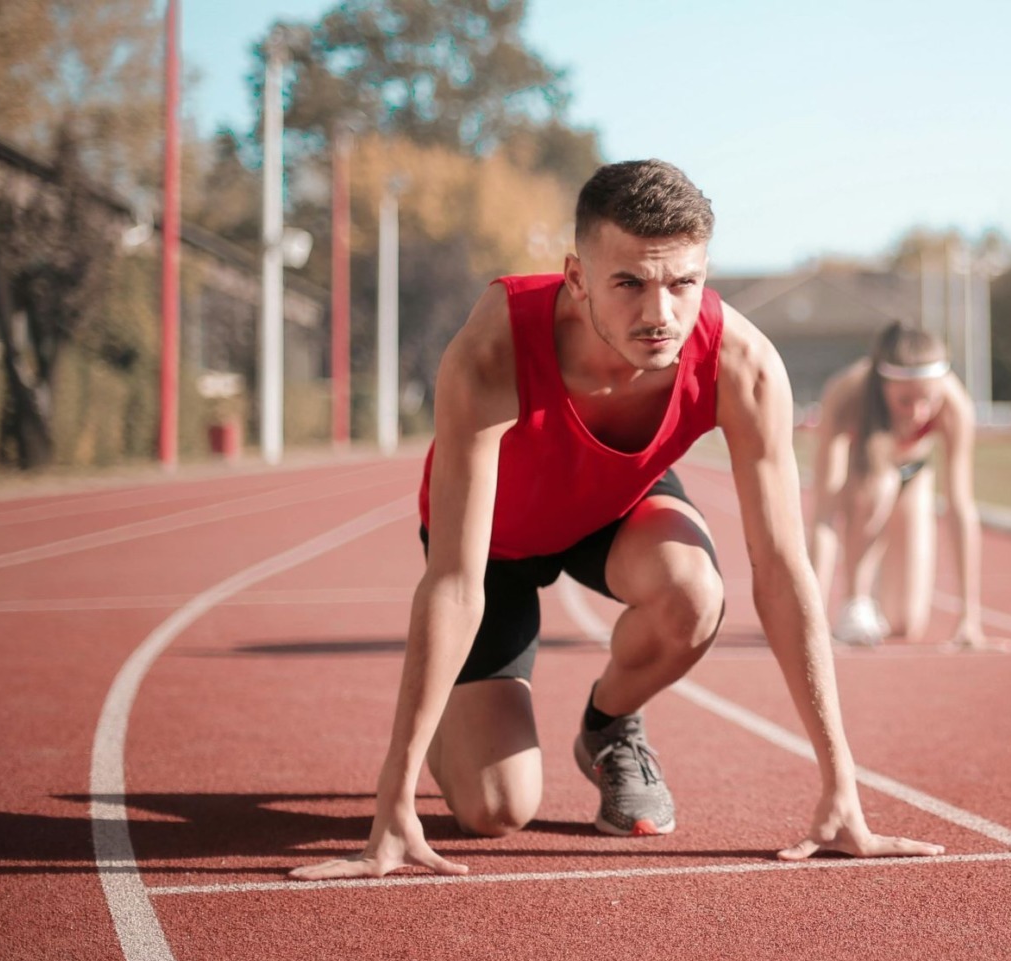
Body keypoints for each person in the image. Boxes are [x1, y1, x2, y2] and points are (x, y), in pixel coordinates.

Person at [292, 160, 942, 880]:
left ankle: (608, 727)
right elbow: (453, 580)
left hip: (614, 509)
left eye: (682, 283)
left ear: (704, 273)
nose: (659, 313)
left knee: (696, 594)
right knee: (496, 811)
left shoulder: (743, 365)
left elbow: (784, 572)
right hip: (496, 544)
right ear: (577, 277)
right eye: (628, 283)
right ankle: (452, 710)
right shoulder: (493, 349)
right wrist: (393, 801)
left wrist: (840, 788)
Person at [806, 323, 1003, 650]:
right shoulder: (846, 395)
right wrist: (810, 621)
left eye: (928, 399)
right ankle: (856, 601)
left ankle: (883, 588)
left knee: (905, 624)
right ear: (883, 387)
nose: (918, 412)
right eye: (905, 401)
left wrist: (969, 617)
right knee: (881, 484)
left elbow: (960, 508)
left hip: (914, 475)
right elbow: (823, 515)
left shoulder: (956, 406)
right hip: (864, 478)